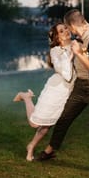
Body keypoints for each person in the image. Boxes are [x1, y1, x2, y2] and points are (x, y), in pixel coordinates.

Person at [38, 9, 89, 178]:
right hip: (80, 87)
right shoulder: (80, 36)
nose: (69, 31)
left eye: (68, 27)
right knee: (63, 119)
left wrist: (78, 54)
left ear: (72, 25)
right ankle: (50, 150)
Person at [13, 22, 76, 161]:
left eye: (66, 28)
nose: (66, 31)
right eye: (61, 31)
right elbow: (65, 73)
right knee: (35, 123)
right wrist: (71, 55)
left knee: (47, 125)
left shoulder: (76, 45)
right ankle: (26, 97)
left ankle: (31, 146)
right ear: (58, 38)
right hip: (55, 90)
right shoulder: (56, 52)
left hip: (66, 92)